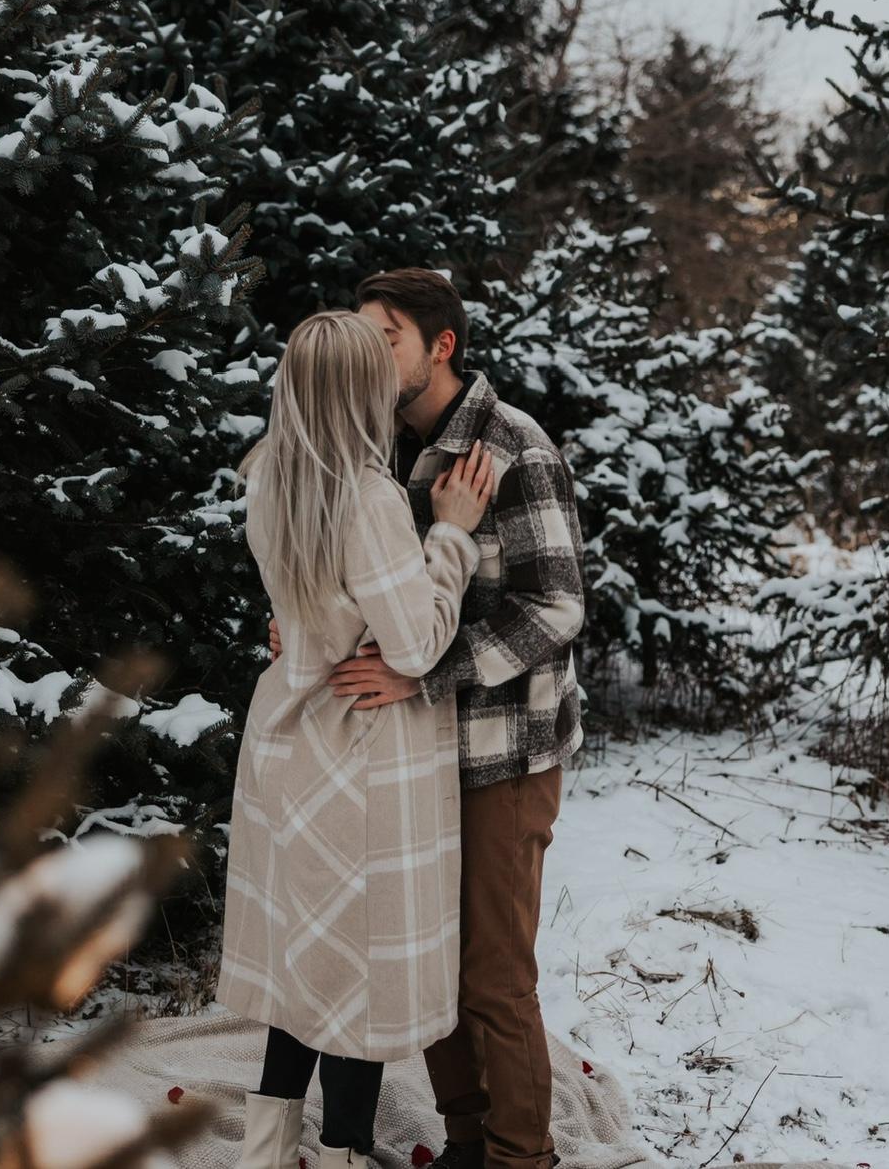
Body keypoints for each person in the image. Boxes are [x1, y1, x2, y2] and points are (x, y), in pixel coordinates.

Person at [275, 269, 586, 1169]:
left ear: (440, 346)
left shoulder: (511, 448)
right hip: (415, 753)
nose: (368, 357)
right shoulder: (373, 444)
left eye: (386, 339)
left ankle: (521, 1156)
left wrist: (425, 673)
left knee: (493, 975)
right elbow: (366, 583)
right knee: (430, 961)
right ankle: (466, 1140)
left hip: (503, 752)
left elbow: (556, 608)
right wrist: (305, 625)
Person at [218, 309, 496, 1169]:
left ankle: (264, 1153)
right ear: (361, 391)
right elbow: (415, 644)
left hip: (285, 741)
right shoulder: (369, 498)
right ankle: (340, 1153)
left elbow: (307, 608)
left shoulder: (269, 475)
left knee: (304, 967)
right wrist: (451, 535)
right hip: (357, 754)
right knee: (357, 984)